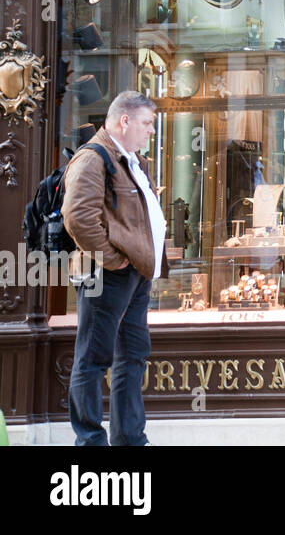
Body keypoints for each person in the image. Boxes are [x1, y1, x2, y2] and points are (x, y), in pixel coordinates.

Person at [63, 91, 168, 446]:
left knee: (132, 357)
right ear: (125, 121)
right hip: (105, 273)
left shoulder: (133, 160)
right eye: (147, 123)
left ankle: (129, 439)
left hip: (134, 274)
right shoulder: (94, 158)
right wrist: (111, 257)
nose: (151, 131)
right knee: (94, 359)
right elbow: (77, 217)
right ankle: (90, 441)